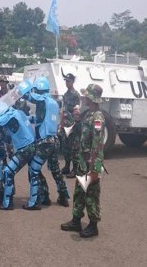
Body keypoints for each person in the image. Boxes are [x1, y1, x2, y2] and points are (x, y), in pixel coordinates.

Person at [61, 84, 105, 238]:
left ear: (92, 98)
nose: (84, 98)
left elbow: (97, 144)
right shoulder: (88, 115)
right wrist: (78, 120)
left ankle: (93, 225)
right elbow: (81, 133)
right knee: (79, 192)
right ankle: (76, 220)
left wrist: (95, 168)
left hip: (90, 163)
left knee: (91, 194)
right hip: (82, 161)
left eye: (86, 96)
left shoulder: (97, 118)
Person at [24, 77, 69, 210]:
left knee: (33, 169)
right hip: (54, 142)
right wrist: (24, 118)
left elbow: (30, 97)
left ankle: (38, 199)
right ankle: (64, 196)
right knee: (55, 170)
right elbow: (40, 119)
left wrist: (20, 92)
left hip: (45, 143)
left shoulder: (42, 101)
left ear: (38, 90)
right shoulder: (53, 103)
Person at [0, 108, 37, 210]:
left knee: (8, 171)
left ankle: (7, 203)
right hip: (31, 145)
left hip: (25, 148)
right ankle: (35, 201)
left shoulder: (10, 116)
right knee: (34, 173)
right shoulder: (19, 112)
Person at [59, 73, 81, 178]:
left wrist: (75, 124)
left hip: (72, 125)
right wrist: (60, 124)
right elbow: (63, 110)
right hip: (65, 125)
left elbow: (77, 110)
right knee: (65, 146)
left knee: (74, 147)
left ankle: (75, 169)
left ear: (72, 82)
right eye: (66, 81)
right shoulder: (66, 95)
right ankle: (67, 166)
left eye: (68, 81)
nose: (67, 83)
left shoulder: (76, 95)